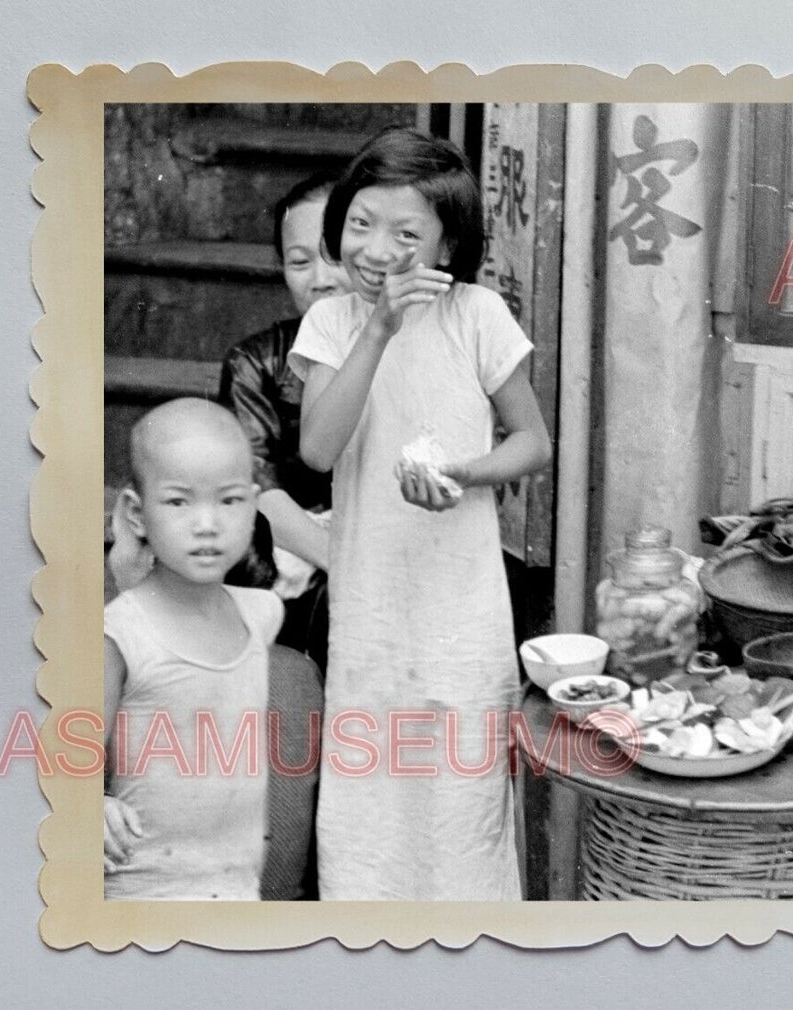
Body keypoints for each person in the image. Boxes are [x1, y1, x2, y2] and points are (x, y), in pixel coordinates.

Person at [290, 126, 551, 901]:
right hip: (372, 610)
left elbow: (532, 442)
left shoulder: (477, 315)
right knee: (368, 805)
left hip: (462, 608)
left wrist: (468, 474)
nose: (376, 249)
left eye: (407, 235)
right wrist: (378, 327)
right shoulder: (332, 322)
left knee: (463, 802)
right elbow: (319, 449)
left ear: (445, 248)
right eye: (362, 224)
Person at [103, 399, 282, 900]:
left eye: (229, 502)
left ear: (253, 505)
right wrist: (88, 805)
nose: (208, 524)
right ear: (136, 514)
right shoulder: (121, 633)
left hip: (237, 894)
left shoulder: (260, 615)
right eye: (179, 503)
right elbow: (63, 760)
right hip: (142, 898)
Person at [217, 169, 352, 673]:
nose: (321, 278)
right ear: (282, 269)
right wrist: (341, 561)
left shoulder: (397, 345)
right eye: (300, 262)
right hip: (286, 542)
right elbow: (257, 486)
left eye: (335, 256)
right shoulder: (254, 362)